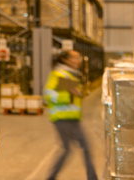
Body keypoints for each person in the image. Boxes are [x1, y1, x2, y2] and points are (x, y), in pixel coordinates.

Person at [43, 50, 97, 180]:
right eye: (75, 58)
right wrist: (69, 95)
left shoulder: (70, 75)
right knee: (67, 150)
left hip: (72, 118)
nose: (78, 60)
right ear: (66, 60)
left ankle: (92, 178)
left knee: (83, 148)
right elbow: (49, 95)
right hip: (62, 119)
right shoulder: (59, 74)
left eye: (79, 57)